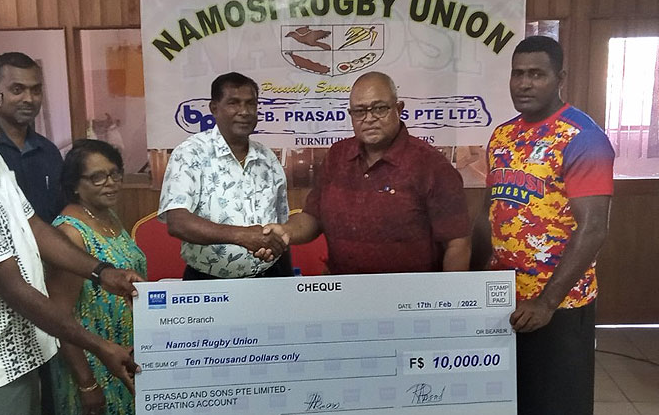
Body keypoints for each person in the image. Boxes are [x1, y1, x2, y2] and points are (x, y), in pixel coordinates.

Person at [0, 61, 141, 415]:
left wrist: (101, 272)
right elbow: (15, 290)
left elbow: (32, 226)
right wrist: (100, 347)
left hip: (17, 349)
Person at [471, 36, 614, 415]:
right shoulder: (502, 136)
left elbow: (594, 228)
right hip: (503, 298)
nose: (524, 83)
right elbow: (489, 215)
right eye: (517, 73)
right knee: (511, 401)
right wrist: (469, 280)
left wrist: (546, 303)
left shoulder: (582, 138)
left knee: (557, 404)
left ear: (560, 78)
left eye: (537, 74)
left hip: (559, 305)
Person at [262, 71, 471, 273]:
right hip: (345, 289)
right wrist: (286, 231)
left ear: (399, 109)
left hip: (411, 294)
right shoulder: (337, 156)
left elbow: (458, 243)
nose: (369, 118)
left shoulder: (431, 165)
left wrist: (449, 295)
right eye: (360, 111)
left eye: (379, 108)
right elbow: (312, 217)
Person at [158, 72, 290, 279]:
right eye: (233, 103)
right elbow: (178, 222)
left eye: (251, 104)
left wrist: (287, 280)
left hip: (269, 279)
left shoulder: (268, 158)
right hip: (209, 283)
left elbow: (280, 229)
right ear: (214, 108)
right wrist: (242, 235)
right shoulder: (191, 153)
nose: (244, 112)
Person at [48, 140, 146, 415]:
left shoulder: (108, 215)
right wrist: (87, 383)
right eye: (97, 177)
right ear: (75, 185)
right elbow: (59, 316)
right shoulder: (70, 233)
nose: (111, 183)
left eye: (115, 173)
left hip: (122, 353)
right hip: (92, 362)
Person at [0, 52, 64, 223]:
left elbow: (61, 213)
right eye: (17, 90)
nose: (29, 99)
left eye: (36, 90)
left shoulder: (49, 152)